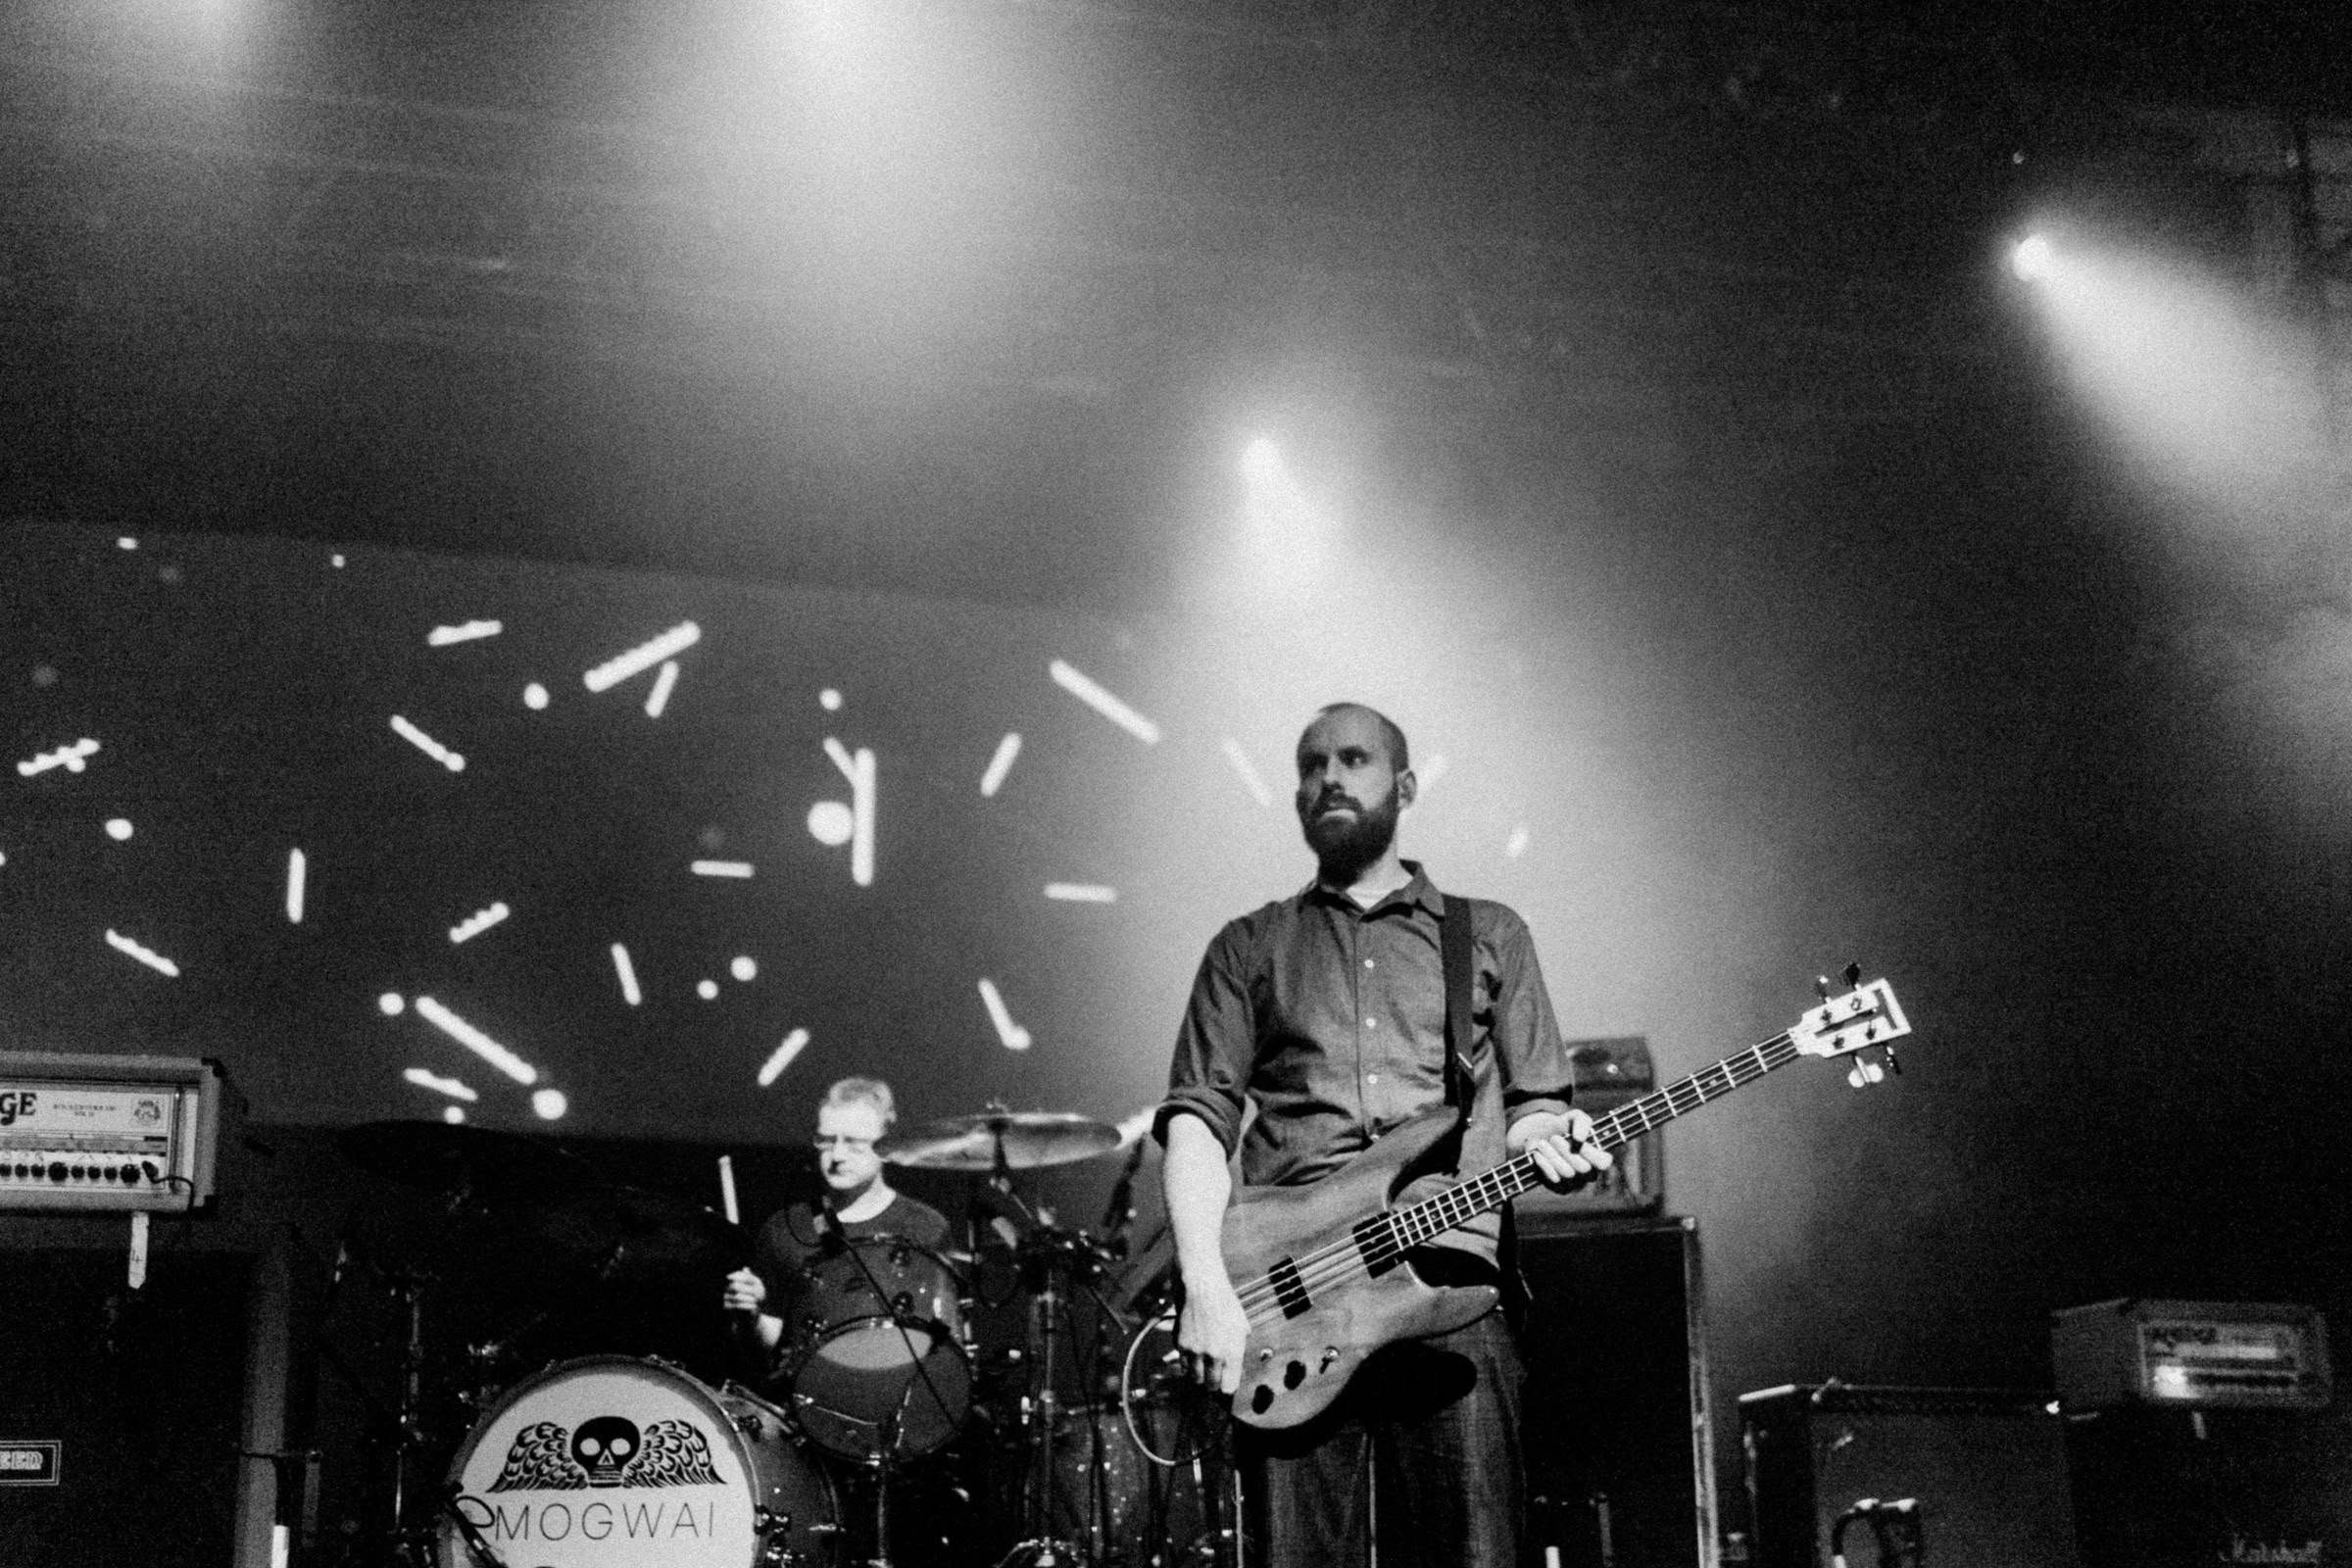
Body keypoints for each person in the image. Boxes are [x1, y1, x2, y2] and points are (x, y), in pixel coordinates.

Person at [1154, 702, 1611, 1568]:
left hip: (1452, 1291)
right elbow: (1197, 1126)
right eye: (1311, 763)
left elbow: (1537, 1111)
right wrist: (1206, 1284)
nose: (1329, 776)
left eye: (1353, 759)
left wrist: (1554, 1141)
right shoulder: (1249, 947)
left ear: (1403, 786)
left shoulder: (1491, 934)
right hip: (1291, 1301)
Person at [720, 1075, 952, 1375]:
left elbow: (943, 1340)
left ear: (887, 1144)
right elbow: (775, 1343)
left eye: (853, 1143)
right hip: (806, 1400)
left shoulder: (924, 1228)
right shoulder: (784, 1230)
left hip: (896, 1393)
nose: (837, 1156)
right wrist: (750, 1317)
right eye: (827, 1141)